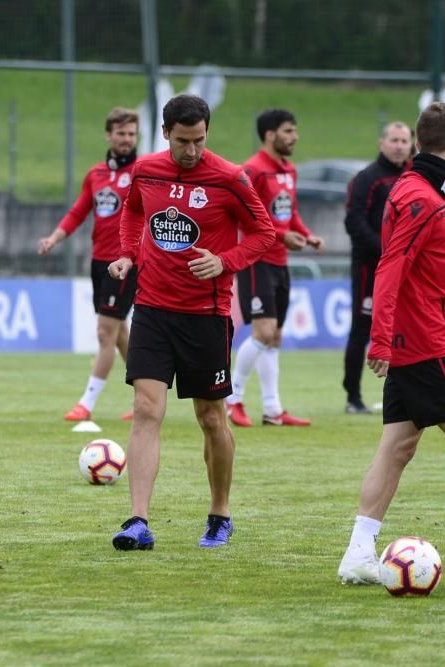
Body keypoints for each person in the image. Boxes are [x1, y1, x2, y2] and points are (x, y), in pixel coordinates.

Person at [337, 102, 445, 588]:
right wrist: (382, 339)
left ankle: (357, 553)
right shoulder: (423, 199)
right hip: (424, 348)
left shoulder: (424, 192)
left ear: (419, 141)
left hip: (430, 337)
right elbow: (391, 267)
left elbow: (431, 280)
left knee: (396, 446)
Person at [107, 94, 276, 551]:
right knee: (146, 409)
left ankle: (220, 513)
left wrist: (224, 262)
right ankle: (138, 521)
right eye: (183, 141)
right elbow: (133, 211)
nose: (192, 151)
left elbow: (265, 233)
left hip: (206, 316)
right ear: (166, 134)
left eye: (199, 140)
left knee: (210, 417)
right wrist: (127, 253)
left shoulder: (229, 178)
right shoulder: (146, 170)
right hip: (153, 310)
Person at [38, 107, 140, 422]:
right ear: (108, 135)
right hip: (99, 262)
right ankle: (146, 397)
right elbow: (79, 211)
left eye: (132, 134)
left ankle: (87, 404)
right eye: (121, 133)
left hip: (125, 262)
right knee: (120, 332)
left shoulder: (144, 171)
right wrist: (55, 237)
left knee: (104, 332)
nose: (126, 139)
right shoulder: (95, 175)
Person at [225, 109, 324, 427]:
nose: (294, 137)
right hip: (257, 262)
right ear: (270, 135)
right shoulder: (251, 171)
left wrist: (307, 236)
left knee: (275, 336)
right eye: (288, 131)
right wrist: (283, 236)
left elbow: (288, 213)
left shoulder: (289, 170)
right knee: (263, 332)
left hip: (281, 262)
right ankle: (233, 399)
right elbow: (247, 218)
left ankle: (272, 409)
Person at [341, 121, 413, 415]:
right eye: (394, 140)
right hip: (369, 269)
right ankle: (353, 397)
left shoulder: (413, 177)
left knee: (407, 329)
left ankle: (406, 392)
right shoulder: (366, 179)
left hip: (406, 270)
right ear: (381, 143)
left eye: (404, 141)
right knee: (362, 329)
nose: (399, 146)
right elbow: (353, 221)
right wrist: (388, 252)